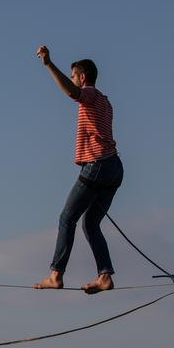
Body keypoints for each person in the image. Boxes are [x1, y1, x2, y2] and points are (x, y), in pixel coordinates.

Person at [33, 45, 123, 294]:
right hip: (114, 168)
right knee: (91, 224)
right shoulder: (105, 101)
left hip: (98, 165)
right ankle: (105, 276)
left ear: (82, 77)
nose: (73, 80)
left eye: (74, 76)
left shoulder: (91, 95)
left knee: (67, 218)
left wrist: (49, 65)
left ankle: (55, 274)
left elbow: (73, 92)